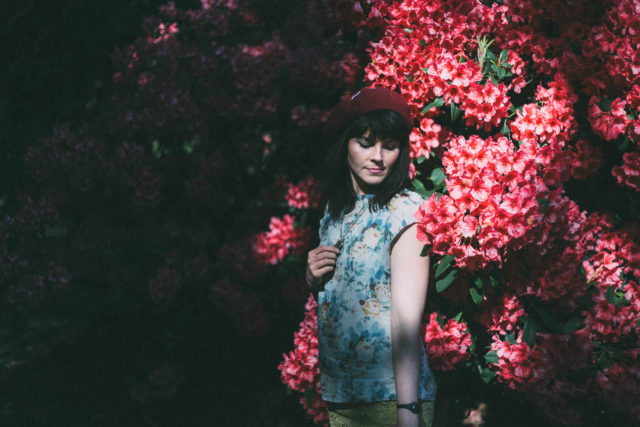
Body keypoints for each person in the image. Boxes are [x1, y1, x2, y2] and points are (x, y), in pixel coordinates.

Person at [306, 87, 437, 427]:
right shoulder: (335, 214)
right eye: (365, 143)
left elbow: (405, 323)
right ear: (345, 145)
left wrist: (408, 415)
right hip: (341, 396)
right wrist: (313, 278)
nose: (378, 156)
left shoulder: (406, 212)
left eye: (389, 145)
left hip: (390, 400)